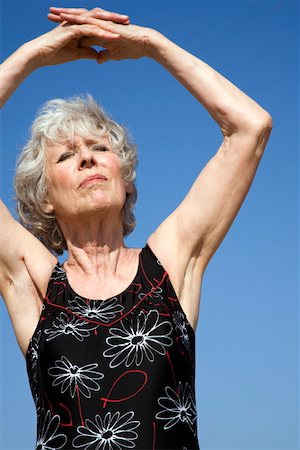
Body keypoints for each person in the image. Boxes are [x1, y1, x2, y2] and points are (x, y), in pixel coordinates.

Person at [0, 6, 272, 450]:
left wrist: (153, 46)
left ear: (124, 179)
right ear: (44, 198)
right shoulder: (33, 280)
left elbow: (250, 127)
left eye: (99, 147)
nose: (87, 158)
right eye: (67, 156)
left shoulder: (168, 265)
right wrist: (32, 56)